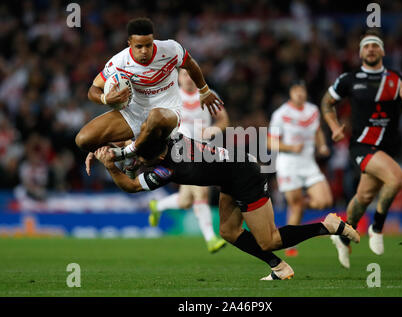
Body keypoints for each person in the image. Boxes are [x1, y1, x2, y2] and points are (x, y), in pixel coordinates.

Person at [90, 131, 360, 280]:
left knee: (269, 240)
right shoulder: (169, 138)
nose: (135, 163)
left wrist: (111, 166)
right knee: (229, 232)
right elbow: (133, 137)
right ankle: (280, 267)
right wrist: (101, 149)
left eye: (136, 159)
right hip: (232, 173)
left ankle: (328, 226)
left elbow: (132, 187)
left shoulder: (166, 170)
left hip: (245, 175)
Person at [321, 29, 402, 268]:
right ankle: (377, 228)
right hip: (362, 145)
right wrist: (334, 126)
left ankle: (342, 235)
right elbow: (327, 102)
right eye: (367, 46)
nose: (371, 49)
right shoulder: (349, 79)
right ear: (360, 52)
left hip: (386, 148)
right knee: (396, 178)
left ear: (383, 51)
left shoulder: (396, 79)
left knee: (363, 196)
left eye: (375, 45)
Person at [75, 17, 223, 173]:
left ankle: (129, 153)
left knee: (155, 115)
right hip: (135, 112)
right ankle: (127, 148)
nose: (144, 51)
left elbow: (191, 64)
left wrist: (204, 90)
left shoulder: (171, 49)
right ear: (129, 43)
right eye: (139, 46)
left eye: (148, 45)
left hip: (168, 110)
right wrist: (105, 98)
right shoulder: (119, 62)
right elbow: (93, 89)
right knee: (83, 140)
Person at [148, 69, 229, 253]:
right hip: (181, 151)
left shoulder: (208, 95)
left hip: (204, 150)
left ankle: (158, 206)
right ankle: (211, 239)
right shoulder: (171, 97)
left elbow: (223, 120)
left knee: (186, 200)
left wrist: (213, 130)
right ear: (178, 77)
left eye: (192, 75)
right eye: (185, 75)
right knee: (201, 193)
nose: (189, 79)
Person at [268, 83, 333, 257]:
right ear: (290, 93)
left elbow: (317, 130)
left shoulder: (312, 110)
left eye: (302, 90)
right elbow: (270, 142)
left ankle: (299, 203)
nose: (299, 94)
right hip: (288, 164)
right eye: (296, 91)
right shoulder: (281, 114)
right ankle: (290, 247)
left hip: (308, 163)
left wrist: (323, 145)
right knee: (295, 206)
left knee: (324, 201)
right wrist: (290, 147)